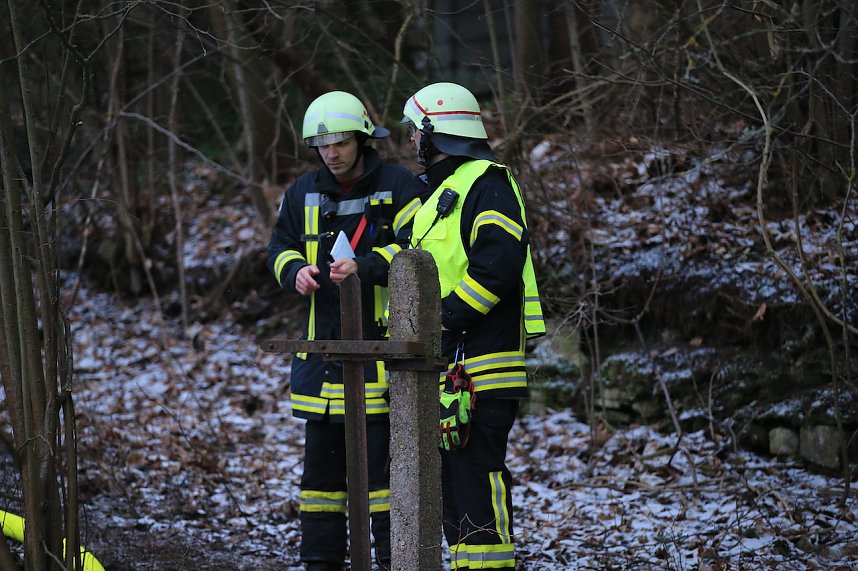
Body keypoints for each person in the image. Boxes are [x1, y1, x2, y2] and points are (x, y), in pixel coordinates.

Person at [268, 90, 421, 571]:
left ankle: (392, 562)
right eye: (321, 145)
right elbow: (278, 247)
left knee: (382, 485)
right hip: (321, 371)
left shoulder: (400, 187)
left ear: (360, 138)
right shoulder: (302, 192)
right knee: (319, 486)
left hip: (381, 364)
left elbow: (417, 251)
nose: (330, 153)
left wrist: (369, 266)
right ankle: (320, 563)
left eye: (339, 143)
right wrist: (293, 270)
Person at [401, 82, 545, 570]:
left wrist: (443, 319)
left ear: (433, 134)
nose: (408, 143)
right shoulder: (442, 191)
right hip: (453, 364)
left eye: (412, 132)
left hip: (483, 363)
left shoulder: (488, 183)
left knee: (476, 479)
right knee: (453, 485)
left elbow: (497, 269)